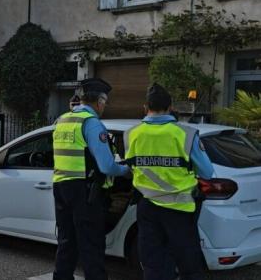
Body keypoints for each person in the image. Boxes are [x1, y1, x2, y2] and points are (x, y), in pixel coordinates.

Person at [124, 84, 214, 280]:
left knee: (153, 265)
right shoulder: (186, 134)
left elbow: (130, 167)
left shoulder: (131, 134)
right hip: (180, 209)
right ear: (170, 106)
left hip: (147, 207)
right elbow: (207, 172)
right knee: (189, 265)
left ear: (145, 107)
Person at [52, 78, 129, 280]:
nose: (105, 106)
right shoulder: (91, 123)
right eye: (105, 102)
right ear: (100, 101)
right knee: (91, 246)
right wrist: (126, 169)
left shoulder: (61, 120)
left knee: (66, 242)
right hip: (84, 191)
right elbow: (106, 166)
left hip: (60, 187)